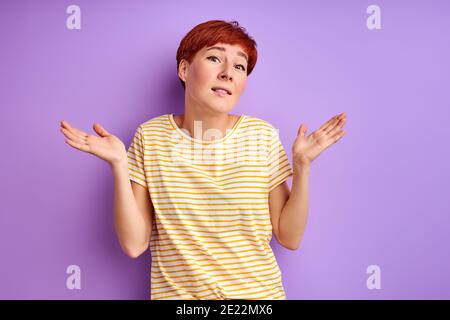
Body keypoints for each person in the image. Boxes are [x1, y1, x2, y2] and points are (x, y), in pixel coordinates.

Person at [59, 19, 347, 300]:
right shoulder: (151, 137)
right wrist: (119, 166)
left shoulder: (262, 136)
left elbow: (289, 237)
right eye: (214, 58)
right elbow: (134, 245)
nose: (228, 73)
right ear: (184, 69)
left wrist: (302, 167)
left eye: (239, 66)